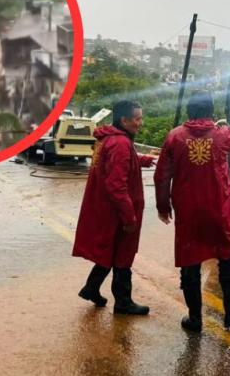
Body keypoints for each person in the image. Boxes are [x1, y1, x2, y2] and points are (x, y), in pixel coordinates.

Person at [154, 91, 230, 332]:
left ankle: (195, 319)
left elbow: (162, 175)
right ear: (210, 112)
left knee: (190, 263)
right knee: (227, 260)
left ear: (189, 111)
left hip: (188, 212)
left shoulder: (174, 137)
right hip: (218, 210)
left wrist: (163, 206)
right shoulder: (221, 135)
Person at [73, 100, 155, 315]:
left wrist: (144, 160)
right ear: (124, 120)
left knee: (110, 252)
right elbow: (116, 185)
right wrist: (129, 217)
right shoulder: (120, 143)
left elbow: (121, 162)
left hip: (106, 209)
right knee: (122, 255)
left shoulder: (108, 140)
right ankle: (123, 301)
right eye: (137, 119)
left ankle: (91, 288)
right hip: (117, 212)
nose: (140, 123)